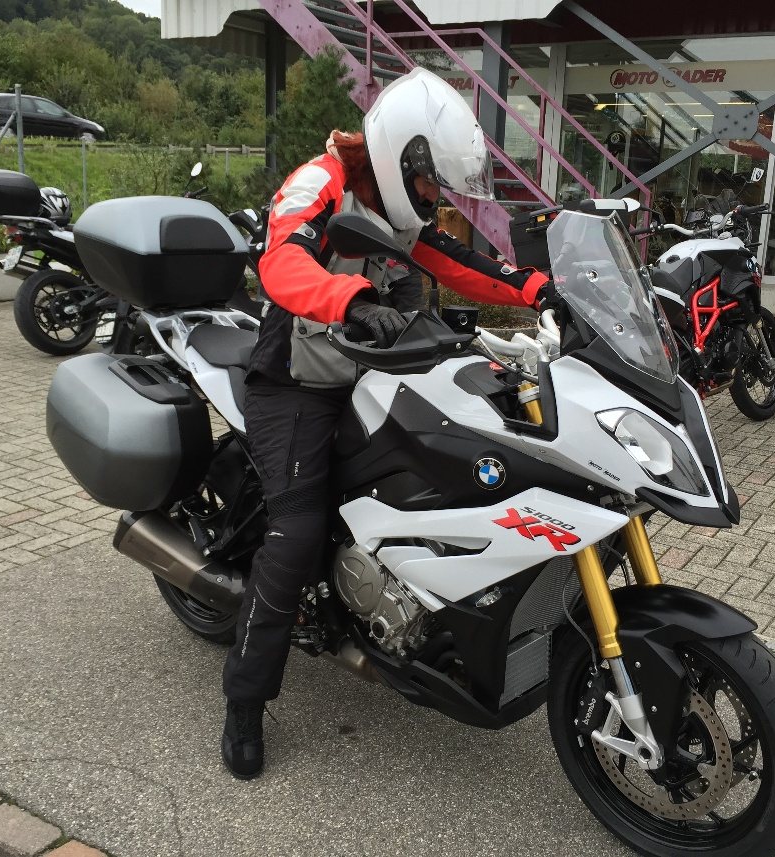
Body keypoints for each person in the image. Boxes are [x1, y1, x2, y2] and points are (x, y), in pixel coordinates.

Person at [220, 67, 553, 780]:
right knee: (297, 529)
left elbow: (458, 262)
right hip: (295, 381)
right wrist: (353, 298)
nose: (435, 197)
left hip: (371, 369)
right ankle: (244, 700)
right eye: (430, 182)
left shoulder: (402, 213)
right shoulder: (321, 182)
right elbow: (281, 263)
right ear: (401, 159)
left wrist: (539, 290)